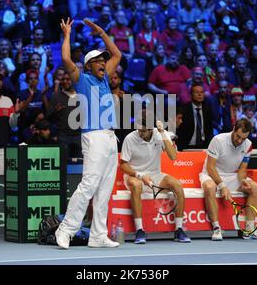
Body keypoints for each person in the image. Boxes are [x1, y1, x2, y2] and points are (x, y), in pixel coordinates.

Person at [55, 17, 122, 249]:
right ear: (89, 65)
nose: (104, 62)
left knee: (104, 189)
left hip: (111, 137)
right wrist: (67, 35)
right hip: (93, 137)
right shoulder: (82, 80)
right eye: (98, 60)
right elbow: (65, 59)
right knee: (89, 185)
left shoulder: (104, 81)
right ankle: (65, 230)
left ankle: (98, 235)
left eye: (104, 60)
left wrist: (102, 32)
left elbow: (117, 55)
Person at [120, 111, 191, 244]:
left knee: (177, 186)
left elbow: (173, 156)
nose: (141, 133)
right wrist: (140, 175)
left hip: (155, 175)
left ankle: (179, 229)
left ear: (152, 128)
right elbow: (123, 164)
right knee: (136, 185)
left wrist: (163, 132)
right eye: (139, 129)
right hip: (135, 175)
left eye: (144, 131)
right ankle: (140, 230)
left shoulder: (159, 135)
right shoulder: (130, 138)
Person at [199, 119, 257, 241]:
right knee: (210, 187)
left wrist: (242, 180)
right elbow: (210, 167)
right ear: (233, 129)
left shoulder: (248, 145)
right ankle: (216, 228)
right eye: (238, 136)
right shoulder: (218, 140)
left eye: (243, 138)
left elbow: (242, 169)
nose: (239, 141)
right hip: (210, 175)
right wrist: (222, 186)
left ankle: (248, 229)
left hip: (232, 176)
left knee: (255, 187)